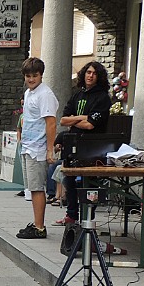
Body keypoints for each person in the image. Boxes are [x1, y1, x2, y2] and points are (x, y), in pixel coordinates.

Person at [56, 61, 113, 225]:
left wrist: (74, 120)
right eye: (88, 72)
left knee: (91, 184)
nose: (90, 75)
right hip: (74, 146)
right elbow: (63, 120)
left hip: (93, 148)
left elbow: (90, 125)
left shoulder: (102, 98)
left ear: (99, 76)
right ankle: (71, 216)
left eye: (94, 73)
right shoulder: (77, 95)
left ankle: (87, 218)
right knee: (69, 181)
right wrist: (82, 117)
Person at [16, 57, 58, 240]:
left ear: (41, 75)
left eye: (35, 75)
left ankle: (40, 228)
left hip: (38, 148)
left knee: (37, 188)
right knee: (32, 188)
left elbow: (51, 123)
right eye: (28, 76)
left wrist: (50, 150)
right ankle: (36, 223)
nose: (31, 79)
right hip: (28, 146)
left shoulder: (45, 94)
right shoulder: (29, 93)